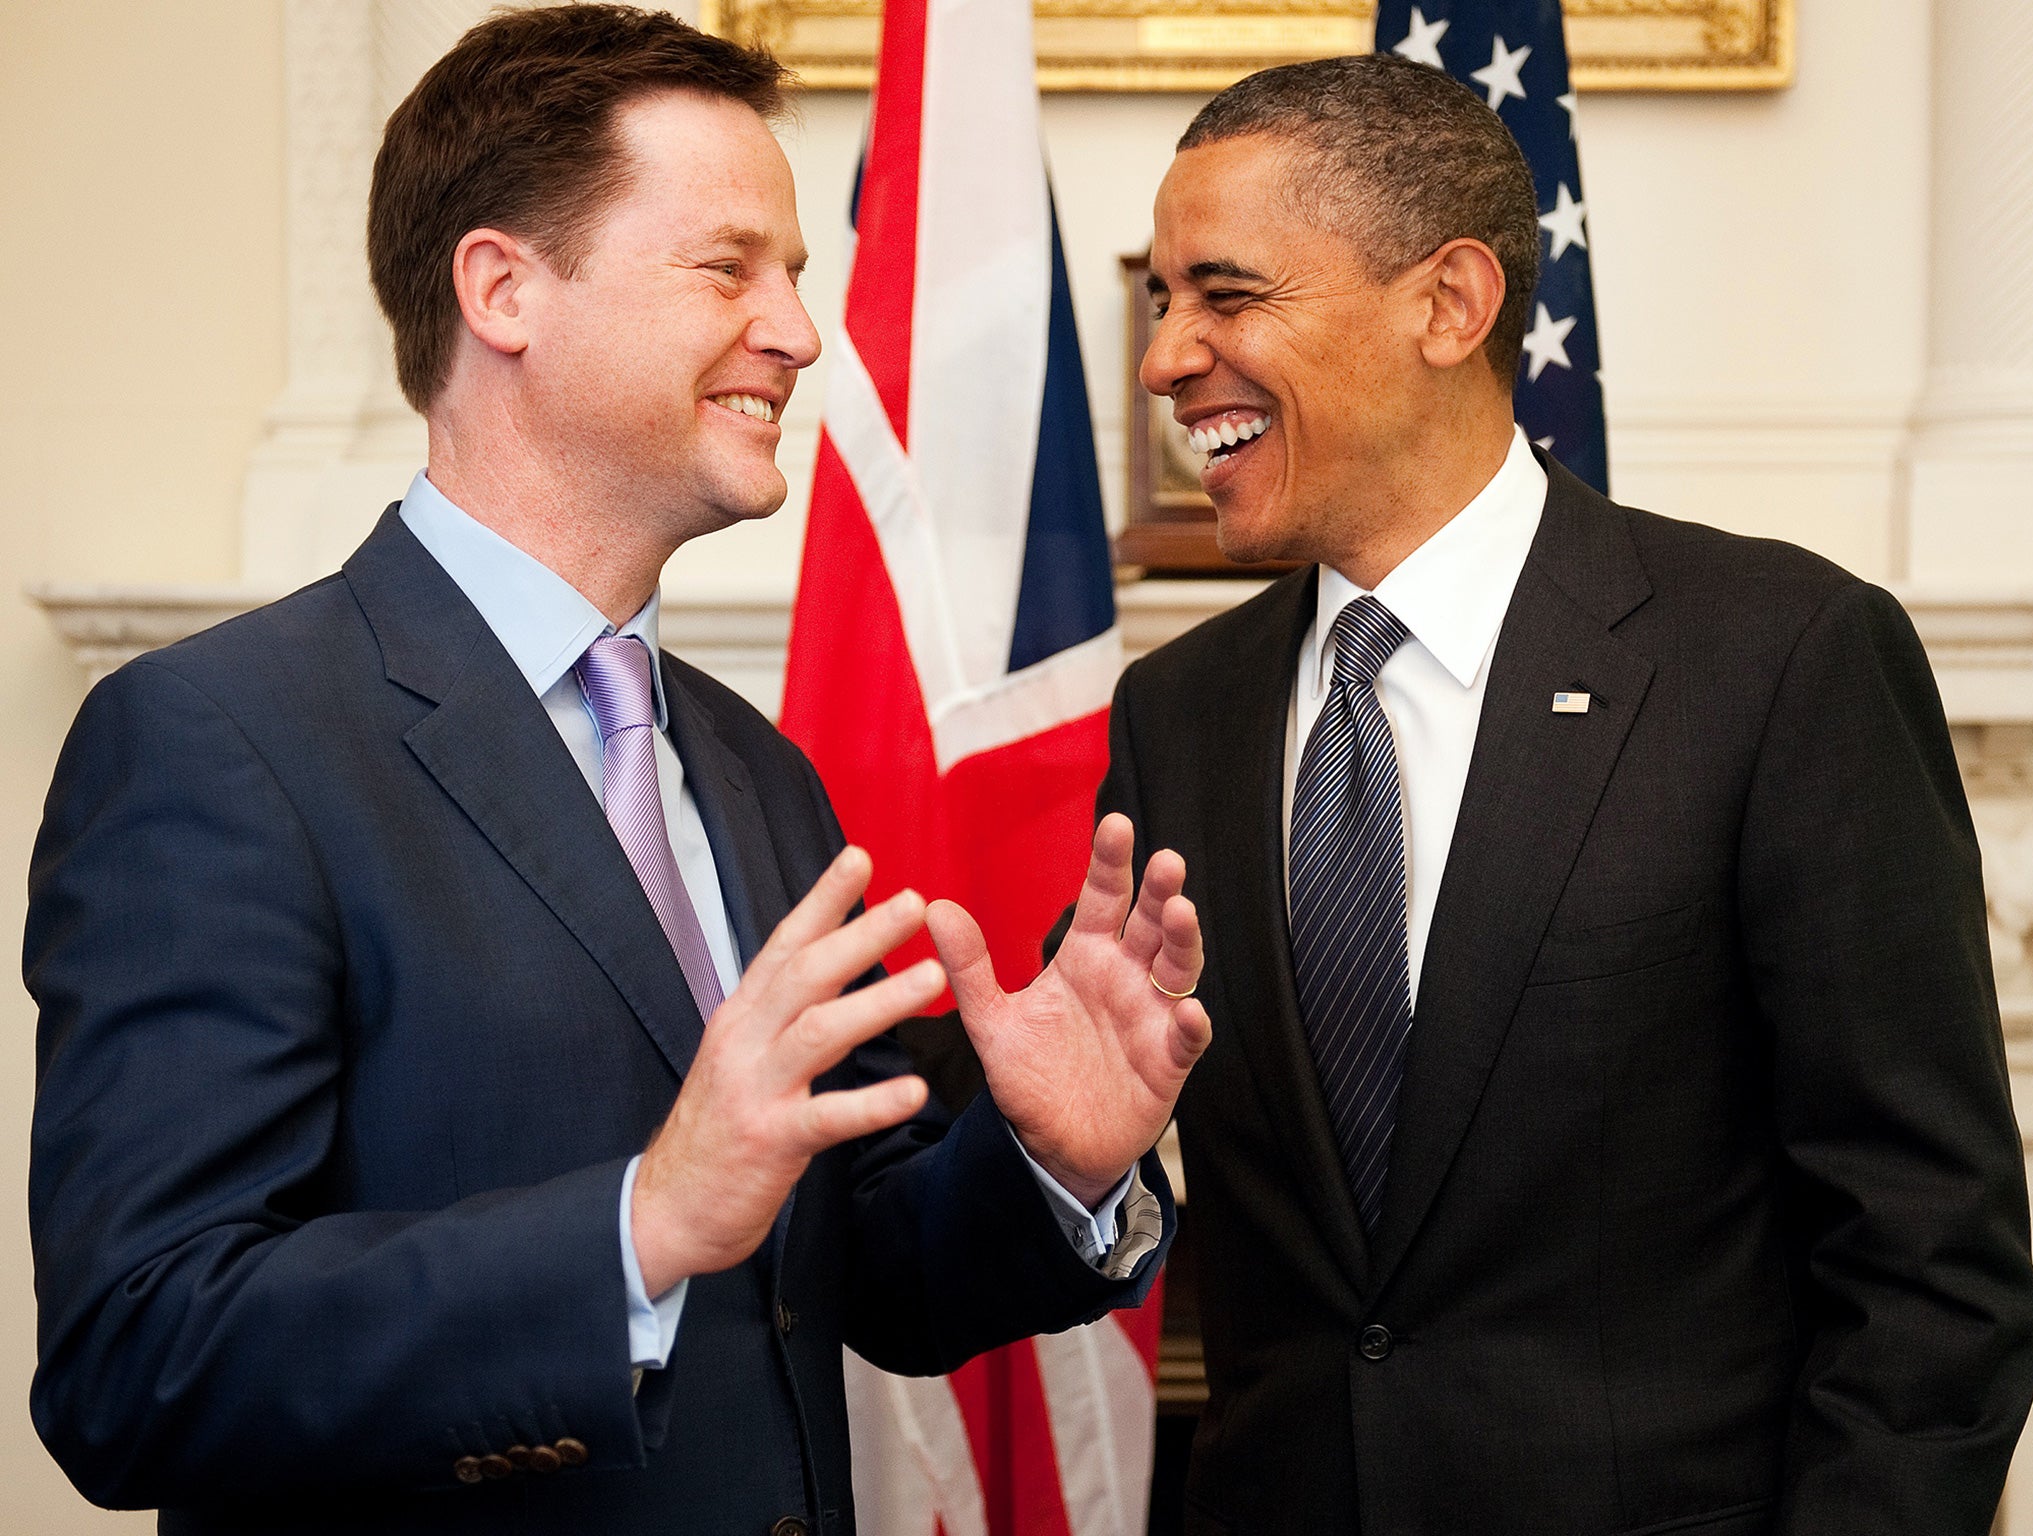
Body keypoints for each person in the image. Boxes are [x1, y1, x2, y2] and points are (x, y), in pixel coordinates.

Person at [23, 9, 1210, 1534]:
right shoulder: (215, 745)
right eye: (730, 269)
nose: (798, 330)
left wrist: (1054, 1162)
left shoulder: (756, 768)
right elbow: (139, 1361)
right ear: (503, 288)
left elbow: (864, 1273)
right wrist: (634, 1227)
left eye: (794, 274)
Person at [1113, 52, 2033, 1535]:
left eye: (1225, 295)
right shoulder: (1180, 711)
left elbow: (1930, 1268)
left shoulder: (1777, 660)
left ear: (1449, 304)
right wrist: (1059, 1151)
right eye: (1166, 303)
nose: (1167, 357)